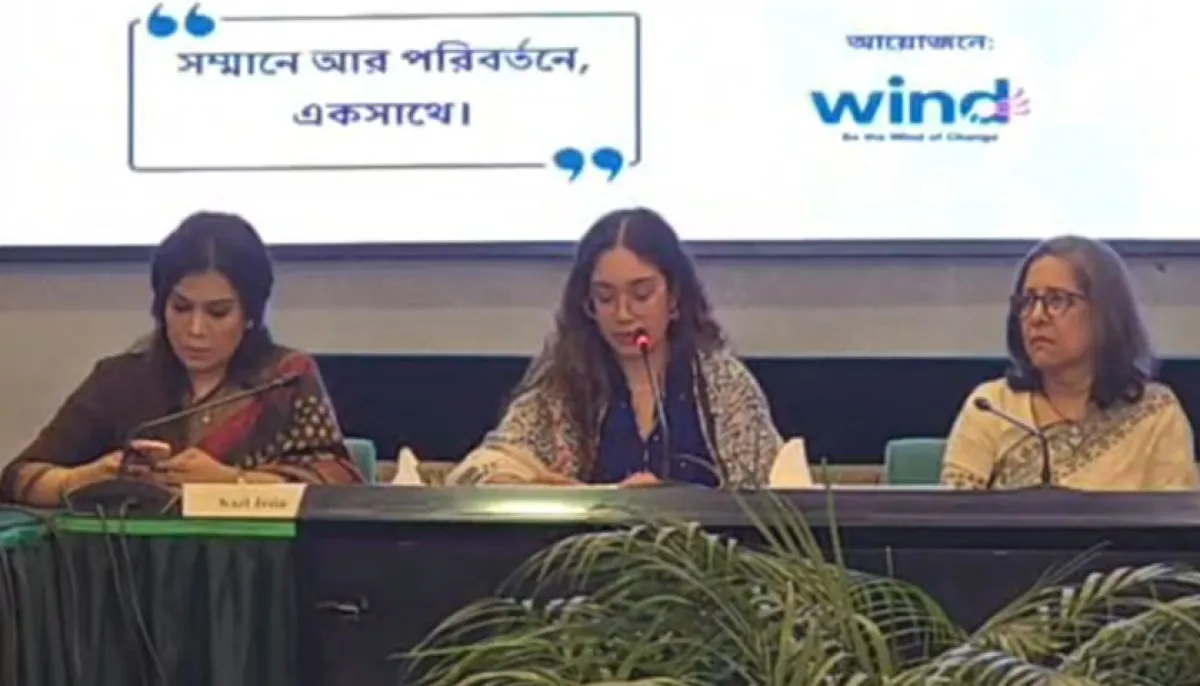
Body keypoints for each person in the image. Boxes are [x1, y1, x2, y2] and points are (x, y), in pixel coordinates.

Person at [0, 211, 363, 506]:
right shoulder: (120, 380)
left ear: (250, 314)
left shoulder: (285, 380)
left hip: (259, 567)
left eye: (218, 313)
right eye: (181, 307)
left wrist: (232, 483)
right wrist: (82, 480)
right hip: (139, 567)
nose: (195, 329)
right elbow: (17, 478)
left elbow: (339, 488)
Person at [447, 207, 783, 488]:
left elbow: (777, 497)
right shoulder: (563, 385)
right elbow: (476, 472)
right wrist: (526, 485)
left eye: (641, 295)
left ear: (674, 295)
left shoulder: (722, 384)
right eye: (605, 297)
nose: (623, 314)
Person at [941, 235, 1199, 491]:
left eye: (1057, 300)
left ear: (1104, 312)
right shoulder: (991, 407)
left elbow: (1175, 515)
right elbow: (953, 512)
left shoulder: (1155, 415)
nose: (1037, 317)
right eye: (1028, 301)